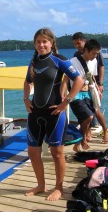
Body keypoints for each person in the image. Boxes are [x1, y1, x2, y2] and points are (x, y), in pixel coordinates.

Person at [23, 28, 84, 201]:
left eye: (44, 42)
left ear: (51, 43)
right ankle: (41, 185)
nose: (41, 45)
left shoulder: (59, 60)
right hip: (35, 113)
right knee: (33, 152)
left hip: (55, 114)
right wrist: (26, 98)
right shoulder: (34, 62)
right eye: (38, 42)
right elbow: (27, 82)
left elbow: (79, 79)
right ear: (35, 44)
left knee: (57, 153)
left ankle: (58, 187)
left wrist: (67, 101)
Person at [61, 39, 108, 152]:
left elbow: (91, 76)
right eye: (94, 53)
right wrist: (62, 94)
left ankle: (78, 142)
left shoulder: (94, 61)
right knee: (89, 116)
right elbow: (66, 79)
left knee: (88, 117)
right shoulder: (73, 61)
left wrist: (98, 89)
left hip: (88, 93)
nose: (95, 55)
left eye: (97, 53)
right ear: (86, 50)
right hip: (76, 95)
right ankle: (82, 139)